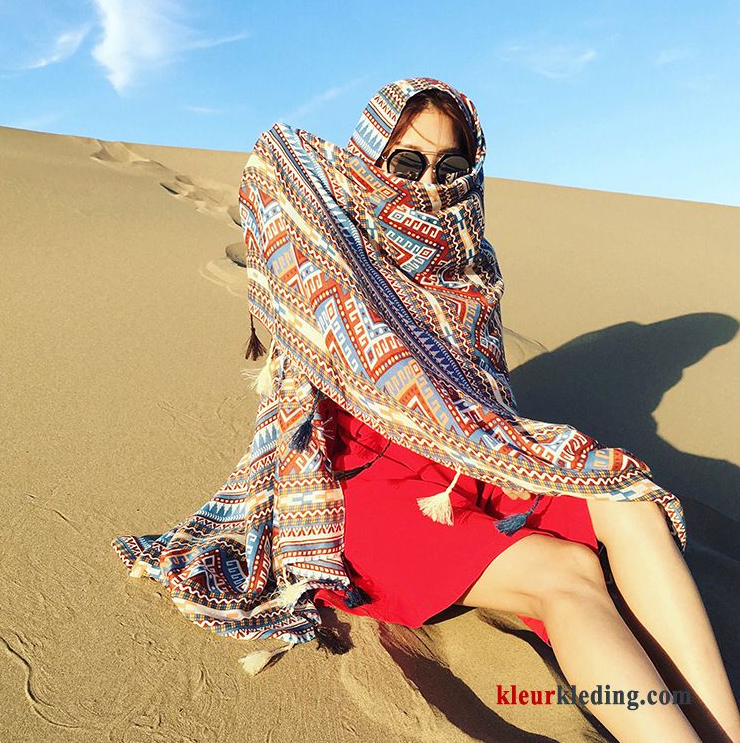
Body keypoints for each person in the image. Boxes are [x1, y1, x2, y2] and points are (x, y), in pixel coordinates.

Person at [111, 78, 740, 742]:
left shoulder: (472, 264)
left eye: (451, 164)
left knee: (631, 504)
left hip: (476, 452)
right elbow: (276, 156)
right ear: (372, 160)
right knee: (566, 571)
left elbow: (482, 391)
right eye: (406, 161)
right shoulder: (335, 246)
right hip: (363, 480)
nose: (429, 181)